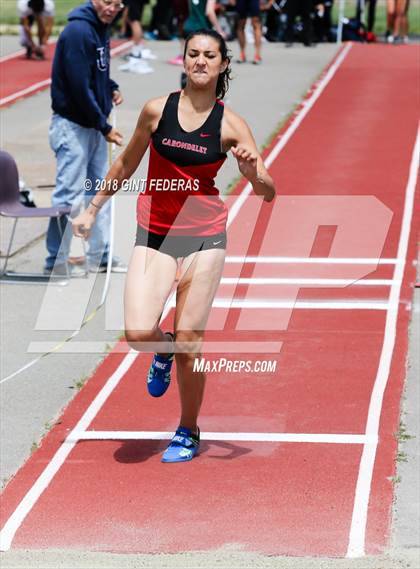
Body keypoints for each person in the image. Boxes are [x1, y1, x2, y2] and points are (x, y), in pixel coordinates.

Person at [72, 30, 275, 463]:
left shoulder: (231, 124)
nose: (201, 61)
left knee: (191, 342)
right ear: (183, 61)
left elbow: (268, 191)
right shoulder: (155, 111)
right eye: (193, 54)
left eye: (210, 56)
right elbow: (127, 163)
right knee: (137, 332)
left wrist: (253, 171)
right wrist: (92, 209)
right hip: (157, 234)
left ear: (223, 65)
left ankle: (188, 428)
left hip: (204, 237)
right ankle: (159, 351)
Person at [44, 0, 127, 277]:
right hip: (73, 125)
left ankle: (100, 254)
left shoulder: (101, 27)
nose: (112, 8)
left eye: (118, 3)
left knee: (99, 190)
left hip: (92, 124)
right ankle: (56, 259)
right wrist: (104, 126)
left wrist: (110, 88)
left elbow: (96, 74)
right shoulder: (79, 31)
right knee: (69, 193)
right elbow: (79, 85)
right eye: (107, 1)